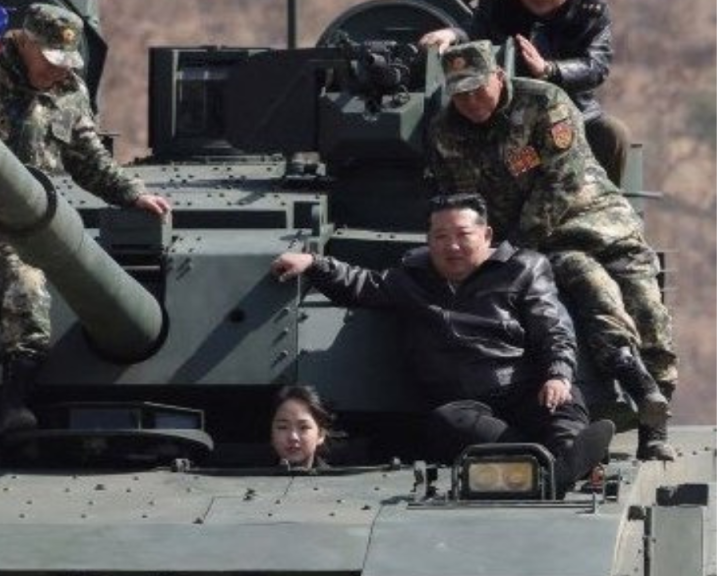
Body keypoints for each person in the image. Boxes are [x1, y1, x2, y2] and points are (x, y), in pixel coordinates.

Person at [0, 4, 172, 438]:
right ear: (25, 42)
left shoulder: (70, 91)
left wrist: (131, 192)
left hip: (24, 228)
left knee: (30, 291)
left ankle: (14, 405)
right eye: (51, 59)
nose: (59, 70)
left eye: (67, 61)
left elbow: (89, 159)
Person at [425, 41, 675, 461]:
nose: (470, 101)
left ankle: (655, 419)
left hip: (592, 221)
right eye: (460, 93)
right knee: (589, 284)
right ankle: (631, 377)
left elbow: (562, 180)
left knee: (647, 306)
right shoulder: (445, 131)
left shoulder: (544, 103)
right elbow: (458, 199)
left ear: (498, 77)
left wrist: (515, 248)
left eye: (477, 89)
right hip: (543, 245)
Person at [271, 194, 613, 491]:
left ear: (486, 234)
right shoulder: (412, 278)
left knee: (564, 401)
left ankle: (564, 460)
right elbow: (362, 284)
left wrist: (558, 374)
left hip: (524, 390)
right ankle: (550, 467)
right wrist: (314, 262)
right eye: (441, 236)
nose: (452, 246)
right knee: (447, 420)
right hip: (466, 404)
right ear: (429, 240)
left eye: (463, 235)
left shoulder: (524, 268)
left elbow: (553, 328)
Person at [419, 0, 630, 184]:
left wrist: (549, 69)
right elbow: (475, 31)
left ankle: (602, 205)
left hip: (574, 113)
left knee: (612, 135)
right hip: (512, 120)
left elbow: (597, 65)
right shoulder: (498, 6)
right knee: (518, 164)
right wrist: (453, 34)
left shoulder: (589, 11)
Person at [270, 385, 333, 470]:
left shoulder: (336, 478)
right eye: (283, 427)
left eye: (303, 427)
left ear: (321, 434)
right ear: (272, 434)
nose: (293, 437)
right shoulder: (255, 476)